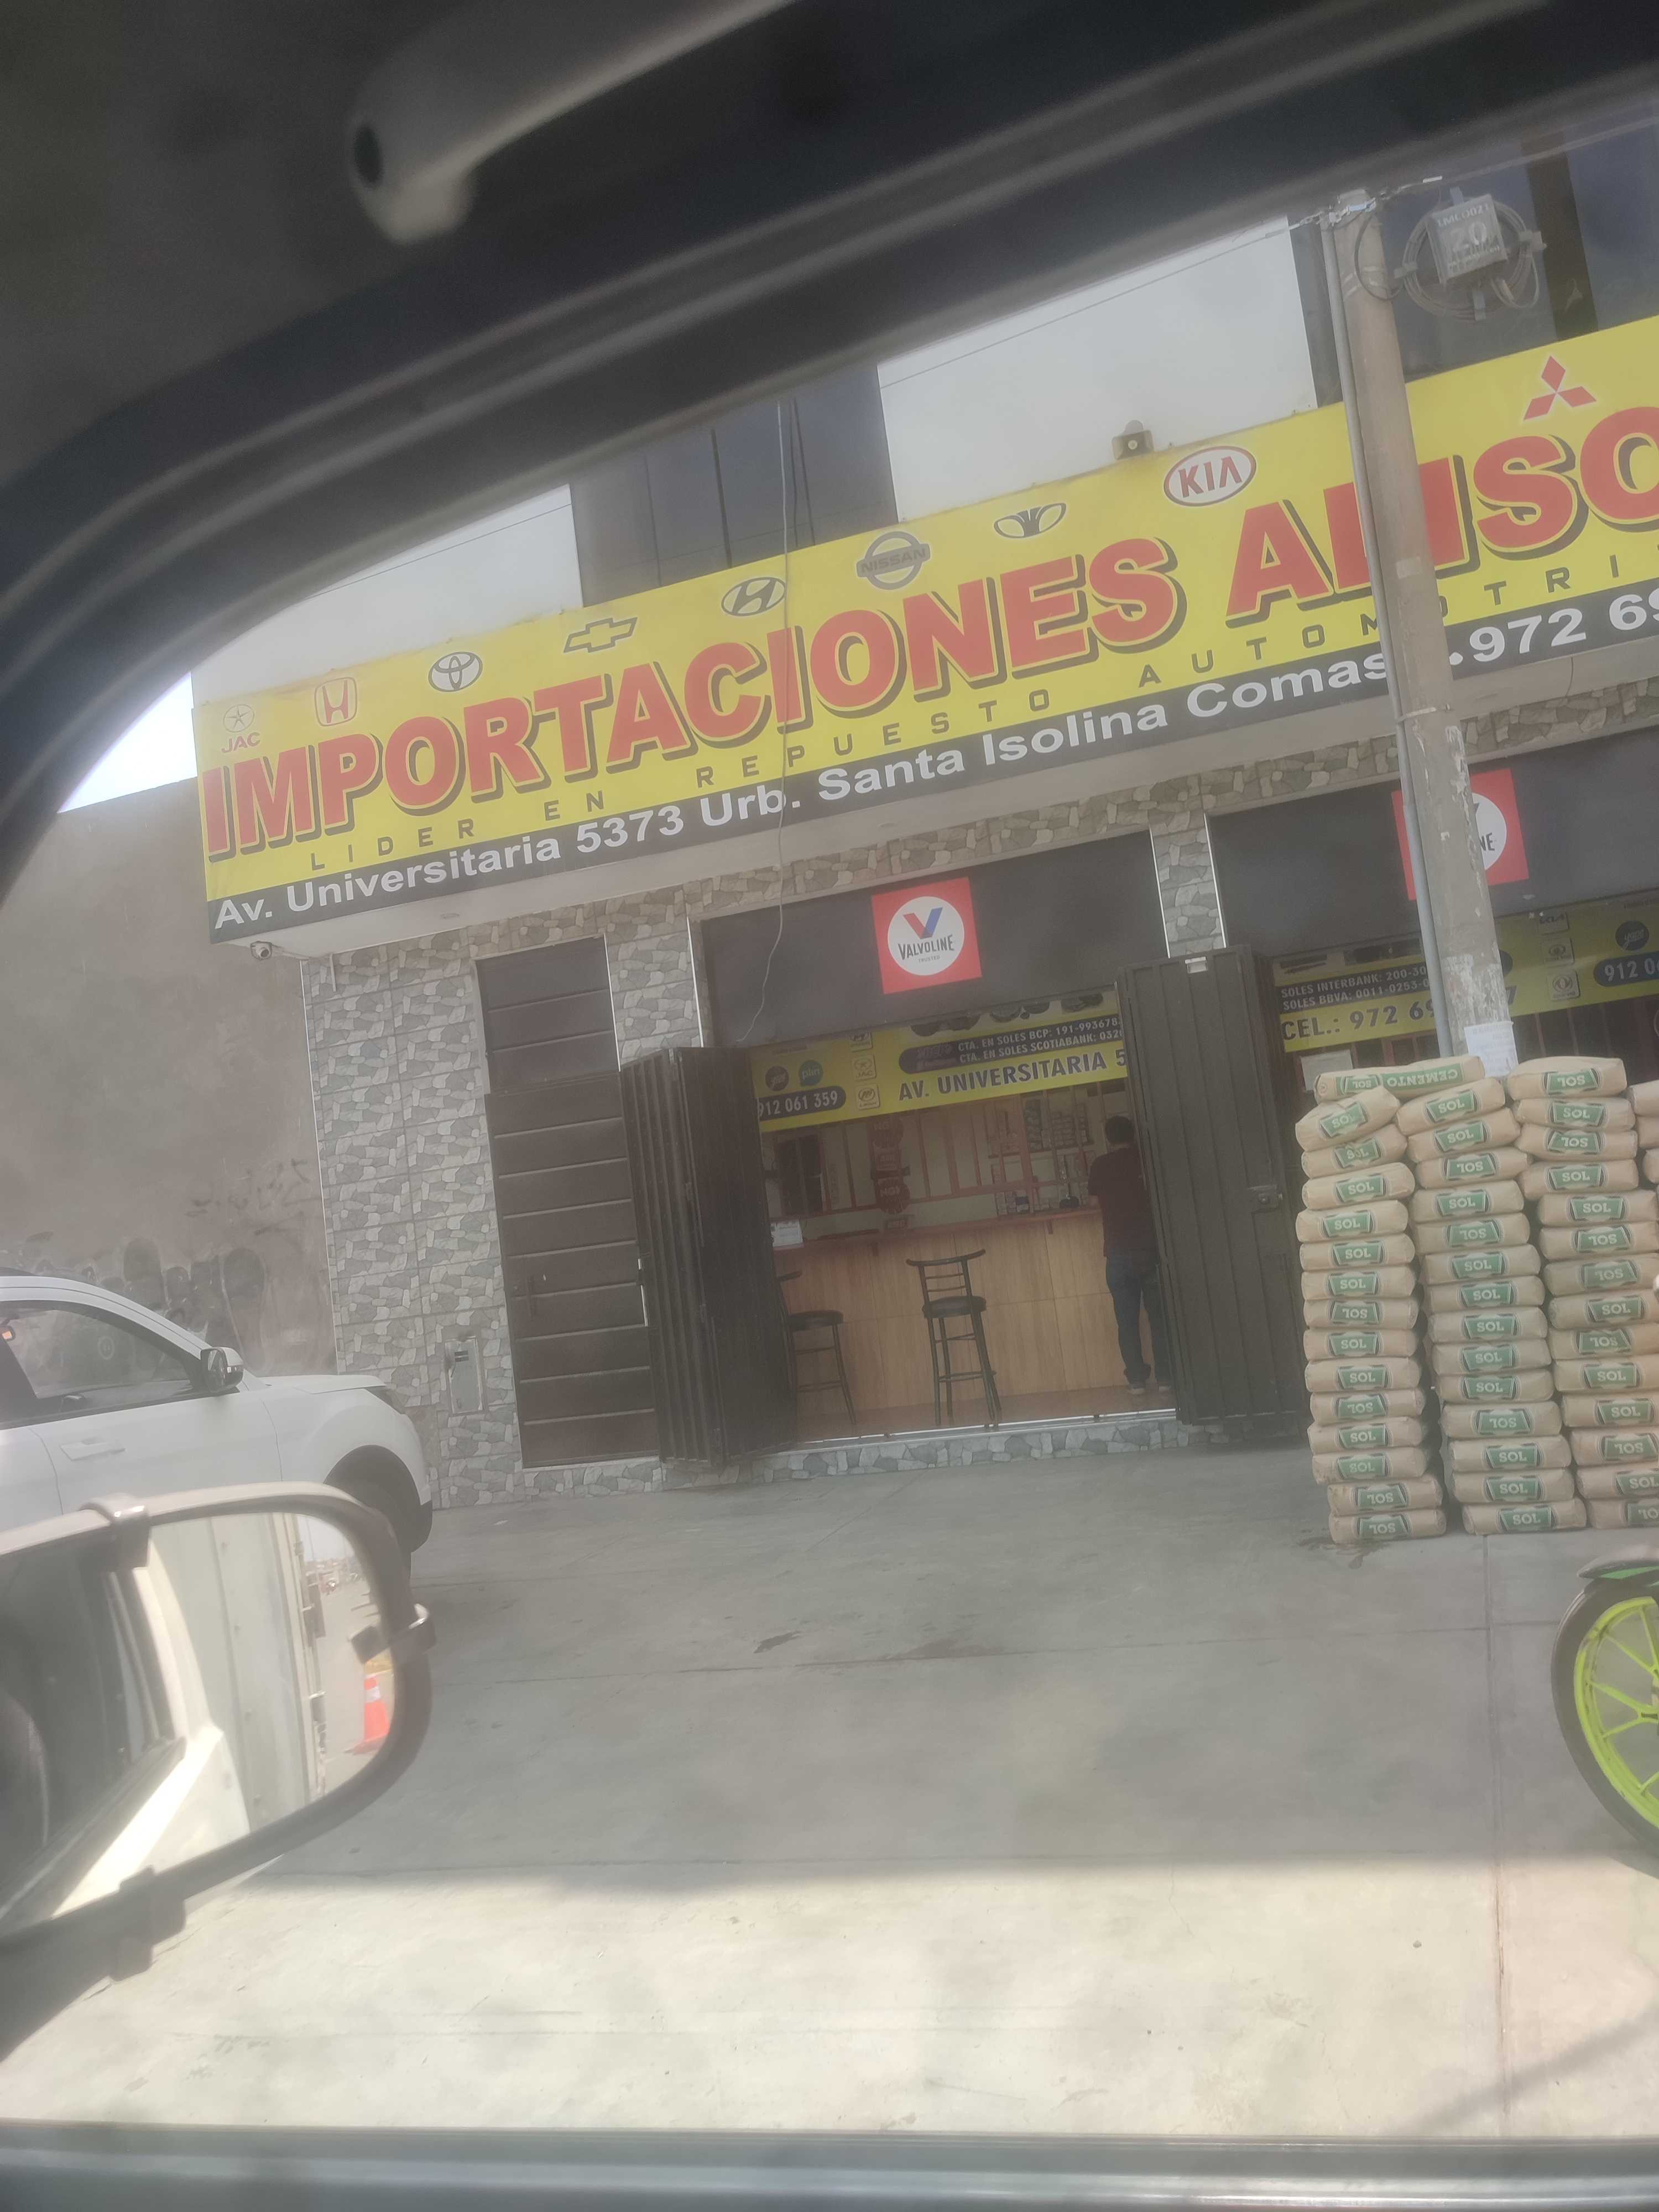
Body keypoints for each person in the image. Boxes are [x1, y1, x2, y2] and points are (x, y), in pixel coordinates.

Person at [1086, 1113, 1172, 1398]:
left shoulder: (1100, 1165)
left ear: (1108, 1139)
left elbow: (1093, 1202)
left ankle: (1136, 1381)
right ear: (1133, 1135)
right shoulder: (1146, 1161)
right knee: (1159, 1318)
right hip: (1150, 1250)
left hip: (1119, 1253)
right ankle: (1166, 1378)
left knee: (1127, 1321)